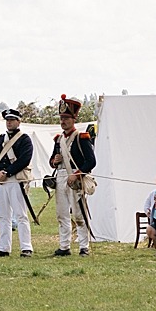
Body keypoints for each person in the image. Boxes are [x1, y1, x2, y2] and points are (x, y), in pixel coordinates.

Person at [49, 96, 97, 256]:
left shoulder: (81, 138)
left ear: (73, 119)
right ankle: (64, 246)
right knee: (62, 214)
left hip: (76, 179)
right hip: (61, 177)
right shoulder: (58, 140)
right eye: (62, 118)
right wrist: (55, 161)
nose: (63, 121)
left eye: (66, 118)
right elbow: (52, 160)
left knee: (79, 214)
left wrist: (76, 175)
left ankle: (84, 246)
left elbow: (91, 161)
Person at [0, 108, 35, 258]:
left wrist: (7, 172)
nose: (9, 123)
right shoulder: (1, 139)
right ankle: (3, 247)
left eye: (12, 120)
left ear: (18, 121)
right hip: (1, 181)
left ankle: (26, 247)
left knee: (21, 215)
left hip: (15, 180)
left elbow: (24, 159)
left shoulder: (24, 139)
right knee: (2, 215)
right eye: (7, 120)